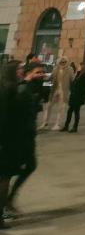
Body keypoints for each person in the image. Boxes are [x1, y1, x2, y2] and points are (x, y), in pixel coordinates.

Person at [0, 61, 44, 225]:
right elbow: (7, 116)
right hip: (11, 139)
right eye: (19, 68)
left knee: (10, 174)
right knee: (5, 176)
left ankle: (6, 205)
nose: (21, 71)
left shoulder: (19, 87)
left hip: (19, 138)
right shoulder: (11, 89)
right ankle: (4, 208)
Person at [41, 56, 73, 131]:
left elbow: (72, 80)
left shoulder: (70, 69)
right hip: (55, 90)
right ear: (58, 62)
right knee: (48, 106)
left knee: (61, 108)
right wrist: (42, 77)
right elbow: (51, 77)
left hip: (64, 91)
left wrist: (72, 91)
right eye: (61, 62)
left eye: (64, 62)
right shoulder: (55, 69)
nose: (63, 63)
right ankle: (45, 123)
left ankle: (57, 124)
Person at [61, 62, 85, 133]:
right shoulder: (77, 74)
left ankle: (75, 127)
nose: (78, 67)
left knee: (76, 112)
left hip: (78, 97)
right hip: (74, 96)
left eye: (80, 66)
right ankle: (66, 126)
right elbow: (74, 83)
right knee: (70, 111)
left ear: (82, 67)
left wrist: (83, 92)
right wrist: (72, 89)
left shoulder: (84, 75)